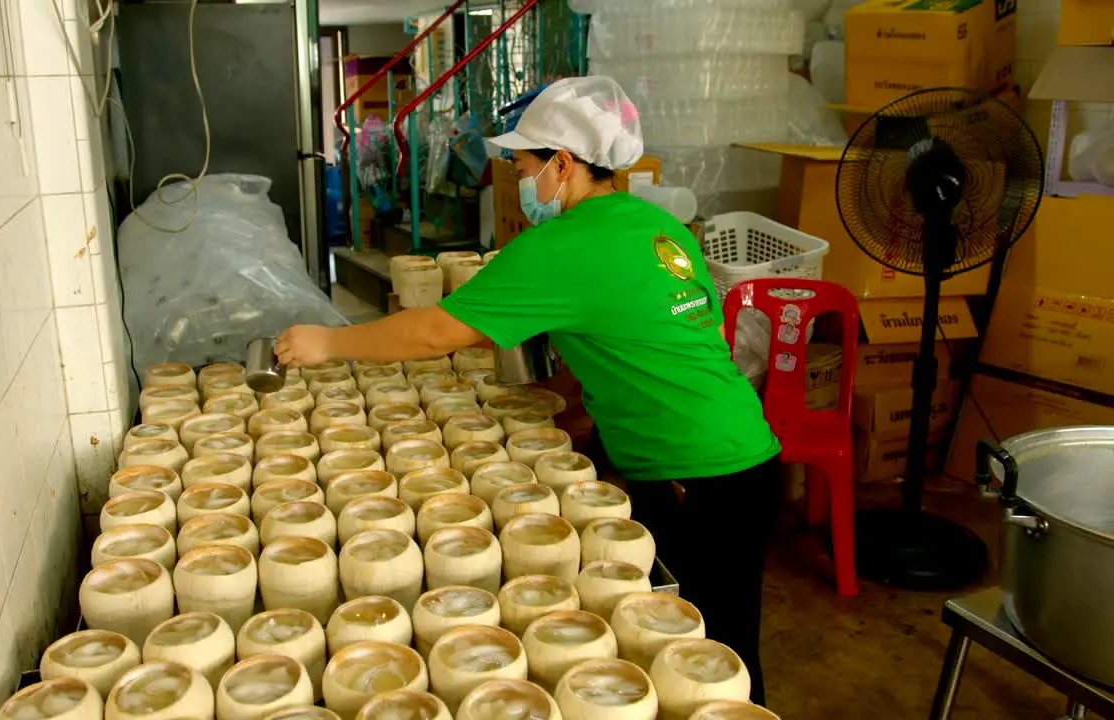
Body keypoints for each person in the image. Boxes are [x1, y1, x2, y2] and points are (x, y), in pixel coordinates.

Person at [277, 76, 783, 704]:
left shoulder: (563, 244)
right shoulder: (661, 229)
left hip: (695, 471)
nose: (516, 180)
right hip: (748, 451)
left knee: (699, 662)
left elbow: (438, 332)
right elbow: (648, 335)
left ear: (562, 164)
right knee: (725, 641)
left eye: (521, 164)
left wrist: (326, 344)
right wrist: (577, 408)